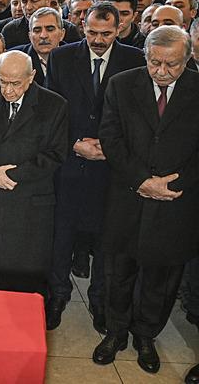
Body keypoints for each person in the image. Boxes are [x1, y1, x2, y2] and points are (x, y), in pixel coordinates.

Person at [93, 26, 199, 375]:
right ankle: (115, 332)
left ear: (188, 59)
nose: (162, 71)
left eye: (172, 65)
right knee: (117, 273)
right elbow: (111, 137)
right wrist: (142, 180)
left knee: (161, 278)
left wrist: (170, 185)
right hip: (127, 197)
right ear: (146, 56)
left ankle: (145, 336)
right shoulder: (122, 84)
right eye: (155, 63)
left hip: (175, 201)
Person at [45, 2, 145, 332]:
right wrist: (74, 143)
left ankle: (99, 300)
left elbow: (136, 117)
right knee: (61, 234)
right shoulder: (61, 57)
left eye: (105, 34)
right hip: (69, 163)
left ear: (119, 29)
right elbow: (52, 110)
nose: (97, 40)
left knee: (106, 240)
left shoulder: (134, 60)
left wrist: (109, 149)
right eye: (91, 32)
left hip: (110, 168)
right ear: (81, 26)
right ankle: (57, 295)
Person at [0, 50, 68, 295]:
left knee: (25, 281)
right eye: (3, 81)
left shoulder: (54, 105)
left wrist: (12, 175)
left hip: (30, 205)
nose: (8, 90)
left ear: (32, 76)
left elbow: (55, 154)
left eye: (15, 83)